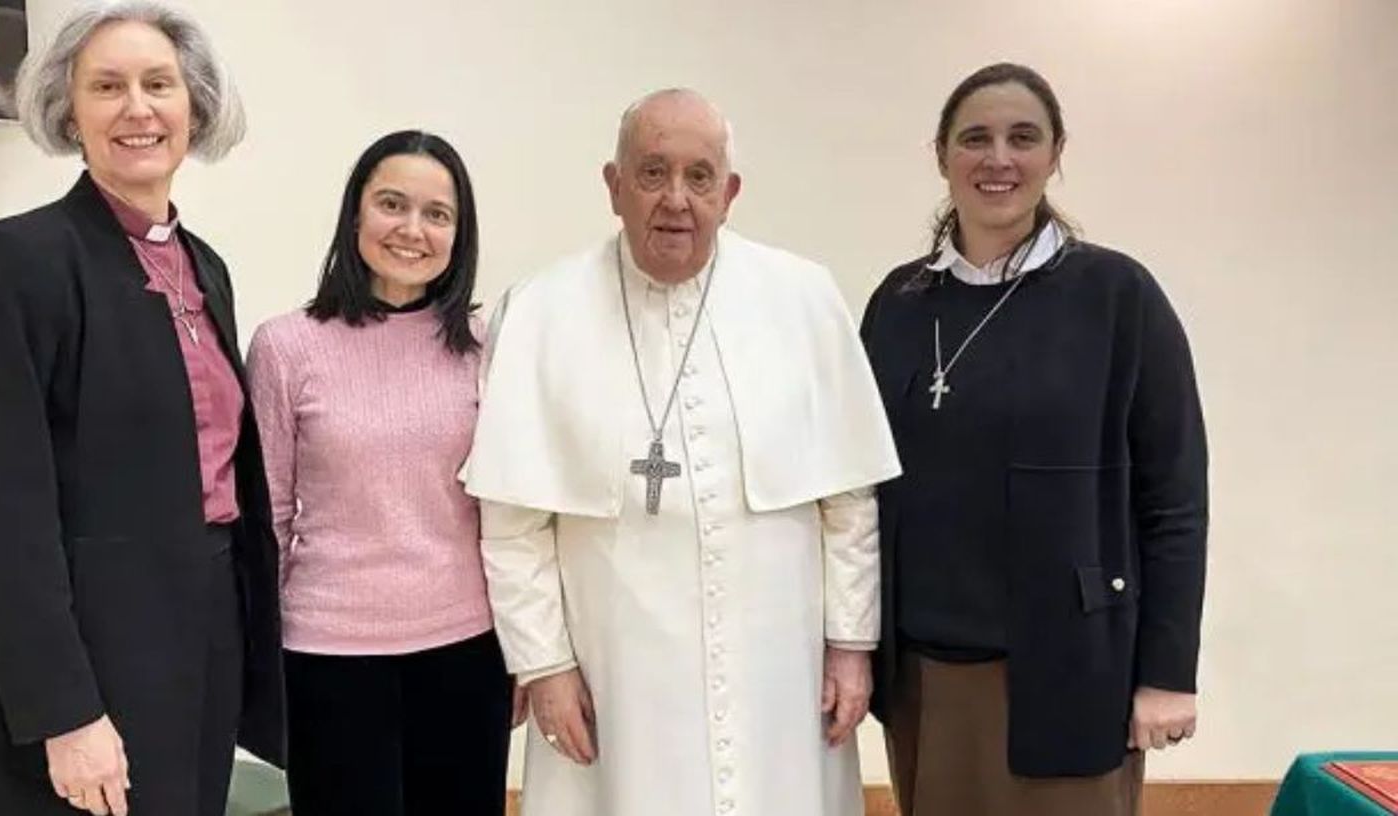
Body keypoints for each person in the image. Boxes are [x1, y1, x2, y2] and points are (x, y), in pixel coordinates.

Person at [463, 88, 901, 816]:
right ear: (613, 185)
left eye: (700, 177)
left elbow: (848, 502)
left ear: (729, 194)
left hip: (778, 672)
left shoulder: (803, 299)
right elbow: (512, 521)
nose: (676, 198)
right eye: (652, 172)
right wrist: (544, 665)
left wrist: (851, 645)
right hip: (614, 671)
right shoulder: (540, 308)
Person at [0, 3, 283, 814]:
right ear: (70, 108)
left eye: (158, 83)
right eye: (108, 86)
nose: (138, 108)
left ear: (193, 104)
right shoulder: (16, 261)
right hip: (90, 657)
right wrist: (67, 714)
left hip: (200, 643)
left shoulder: (207, 269)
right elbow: (0, 518)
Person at [859, 62, 1208, 816]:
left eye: (1024, 138)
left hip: (1071, 667)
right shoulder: (897, 304)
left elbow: (1174, 498)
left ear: (1055, 155)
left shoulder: (1118, 297)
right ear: (942, 155)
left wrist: (1168, 673)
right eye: (975, 138)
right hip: (924, 673)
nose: (998, 159)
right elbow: (862, 487)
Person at [246, 130, 516, 815]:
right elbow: (267, 519)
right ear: (355, 214)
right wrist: (258, 667)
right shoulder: (287, 346)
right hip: (329, 656)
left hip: (466, 651)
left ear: (461, 232)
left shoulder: (488, 347)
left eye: (437, 214)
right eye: (392, 204)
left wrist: (524, 650)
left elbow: (508, 514)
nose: (412, 230)